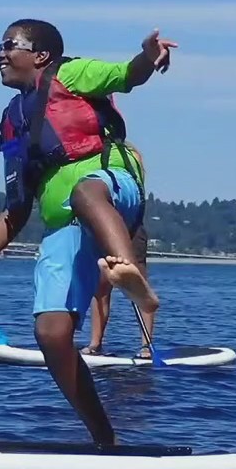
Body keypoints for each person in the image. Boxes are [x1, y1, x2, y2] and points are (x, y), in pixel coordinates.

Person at [0, 19, 175, 446]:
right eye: (0, 45)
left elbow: (127, 74)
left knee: (85, 192)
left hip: (111, 187)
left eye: (11, 45)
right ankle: (104, 438)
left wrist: (147, 54)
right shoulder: (13, 121)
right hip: (65, 227)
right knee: (51, 333)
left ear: (40, 55)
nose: (0, 53)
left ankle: (124, 271)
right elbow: (16, 208)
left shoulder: (71, 74)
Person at [80, 141, 156, 360]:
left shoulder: (131, 154)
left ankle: (146, 345)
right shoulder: (92, 153)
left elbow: (137, 187)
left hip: (131, 225)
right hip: (103, 224)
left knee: (138, 282)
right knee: (101, 286)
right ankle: (95, 343)